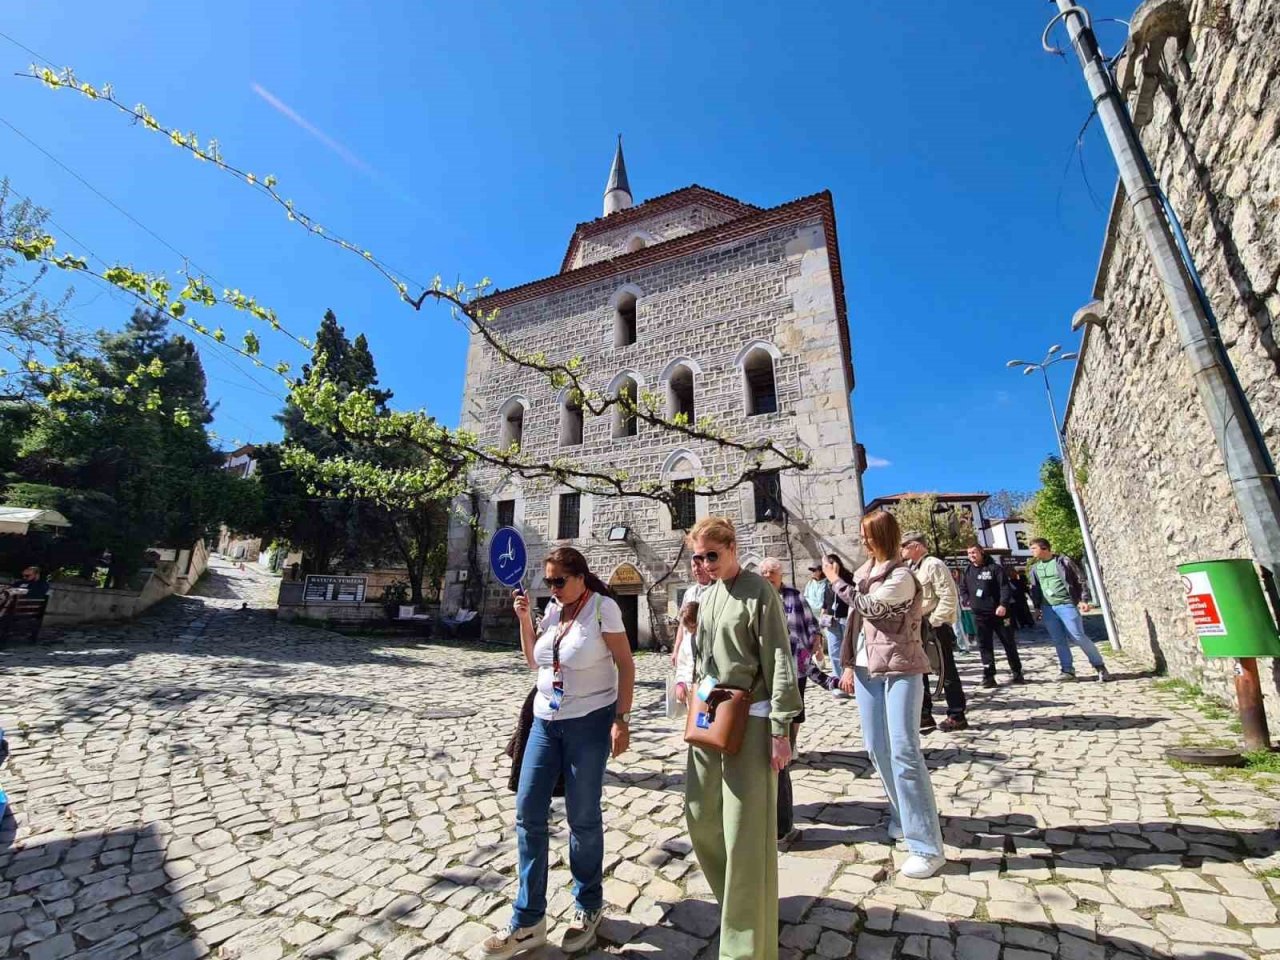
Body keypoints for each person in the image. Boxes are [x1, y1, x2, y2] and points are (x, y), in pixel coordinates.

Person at [482, 547, 636, 959]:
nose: (553, 588)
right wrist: (523, 620)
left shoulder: (603, 609)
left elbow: (625, 662)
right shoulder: (553, 609)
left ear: (580, 577)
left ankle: (588, 905)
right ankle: (529, 918)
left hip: (588, 722)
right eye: (548, 582)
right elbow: (535, 660)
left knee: (582, 817)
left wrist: (621, 717)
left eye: (558, 581)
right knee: (528, 813)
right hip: (544, 722)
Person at [684, 517, 801, 960]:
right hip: (711, 717)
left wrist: (781, 728)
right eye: (699, 557)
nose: (706, 563)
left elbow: (779, 656)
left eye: (712, 554)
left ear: (732, 548)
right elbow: (703, 662)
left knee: (745, 833)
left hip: (752, 720)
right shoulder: (706, 595)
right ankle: (740, 904)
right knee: (700, 816)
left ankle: (745, 947)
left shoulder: (759, 591)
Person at [825, 510, 946, 879]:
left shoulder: (902, 577)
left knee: (904, 750)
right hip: (865, 669)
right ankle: (902, 815)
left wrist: (836, 582)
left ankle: (927, 846)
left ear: (882, 536)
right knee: (877, 747)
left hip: (901, 668)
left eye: (868, 535)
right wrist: (847, 664)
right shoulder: (864, 574)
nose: (863, 541)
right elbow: (855, 626)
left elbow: (870, 608)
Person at [758, 557, 821, 844]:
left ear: (780, 574)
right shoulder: (759, 597)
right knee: (780, 712)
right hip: (770, 671)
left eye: (771, 572)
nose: (768, 575)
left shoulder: (794, 597)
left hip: (796, 664)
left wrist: (815, 646)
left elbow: (810, 624)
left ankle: (789, 745)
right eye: (764, 572)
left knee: (795, 711)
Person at [901, 533, 968, 733]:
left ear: (916, 546)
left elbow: (948, 595)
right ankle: (924, 713)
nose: (902, 549)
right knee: (920, 670)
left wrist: (936, 621)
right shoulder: (913, 568)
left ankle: (956, 713)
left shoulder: (933, 564)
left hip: (934, 624)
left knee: (945, 670)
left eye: (904, 545)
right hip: (918, 624)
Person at [1028, 537, 1112, 682]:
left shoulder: (1063, 562)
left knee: (1078, 636)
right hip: (1048, 608)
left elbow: (1080, 579)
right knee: (1058, 640)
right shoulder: (1035, 568)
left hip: (1066, 605)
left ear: (1044, 548)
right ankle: (1067, 670)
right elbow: (1035, 589)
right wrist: (1037, 608)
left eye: (1034, 548)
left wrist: (1083, 599)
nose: (1031, 551)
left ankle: (1099, 666)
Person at [959, 545, 1024, 688]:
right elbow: (963, 588)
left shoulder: (995, 568)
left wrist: (1003, 604)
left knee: (1008, 643)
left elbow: (1004, 588)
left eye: (974, 552)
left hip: (999, 613)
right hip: (980, 615)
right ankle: (989, 675)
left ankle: (1017, 672)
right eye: (969, 553)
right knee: (984, 646)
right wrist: (967, 600)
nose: (971, 555)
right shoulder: (968, 570)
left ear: (981, 552)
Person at [672, 554, 715, 703]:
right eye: (693, 566)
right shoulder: (689, 593)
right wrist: (676, 649)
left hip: (708, 651)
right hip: (690, 649)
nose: (696, 569)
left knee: (705, 697)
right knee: (691, 694)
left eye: (699, 564)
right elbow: (682, 625)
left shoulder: (717, 590)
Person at [821, 554, 854, 699]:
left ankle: (851, 681)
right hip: (831, 619)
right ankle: (839, 683)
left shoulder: (848, 578)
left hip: (845, 617)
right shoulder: (826, 582)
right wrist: (823, 615)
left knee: (848, 650)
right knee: (834, 650)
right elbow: (825, 601)